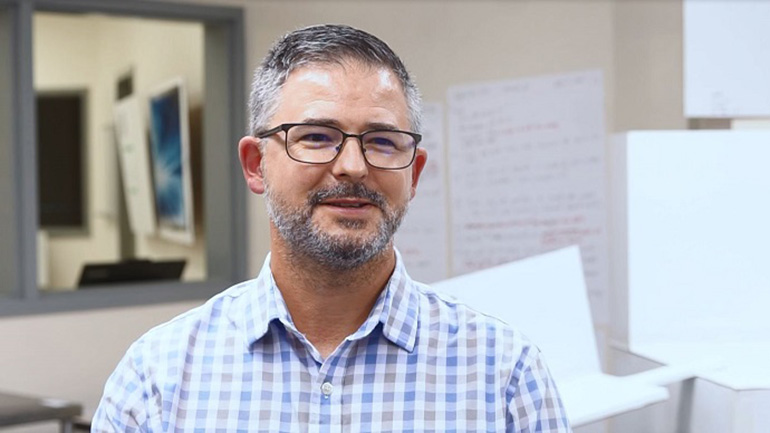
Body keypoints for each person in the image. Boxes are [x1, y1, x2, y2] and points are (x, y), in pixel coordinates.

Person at [92, 24, 571, 432]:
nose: (353, 166)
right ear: (256, 164)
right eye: (317, 137)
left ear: (415, 172)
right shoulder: (158, 377)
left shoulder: (503, 374)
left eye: (382, 141)